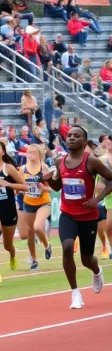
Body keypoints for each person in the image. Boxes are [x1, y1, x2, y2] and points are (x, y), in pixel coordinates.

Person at [45, 126, 112, 308]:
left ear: (84, 142)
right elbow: (58, 186)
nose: (72, 138)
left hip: (88, 216)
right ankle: (75, 293)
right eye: (69, 135)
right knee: (67, 247)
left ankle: (96, 270)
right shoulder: (60, 161)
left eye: (76, 136)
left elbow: (110, 179)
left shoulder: (91, 162)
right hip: (68, 215)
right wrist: (49, 179)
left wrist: (97, 199)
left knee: (86, 259)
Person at [0, 139, 28, 284]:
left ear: (3, 152)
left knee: (8, 245)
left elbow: (25, 187)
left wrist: (7, 184)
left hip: (8, 210)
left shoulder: (8, 168)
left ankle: (12, 254)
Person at [17, 145, 53, 270]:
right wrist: (21, 190)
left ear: (39, 154)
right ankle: (34, 259)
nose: (30, 154)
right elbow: (19, 186)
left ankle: (47, 244)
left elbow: (52, 188)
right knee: (30, 232)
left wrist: (43, 188)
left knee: (37, 226)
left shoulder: (44, 167)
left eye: (33, 152)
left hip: (43, 202)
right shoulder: (22, 169)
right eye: (29, 152)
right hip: (28, 203)